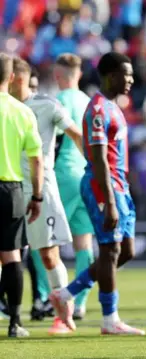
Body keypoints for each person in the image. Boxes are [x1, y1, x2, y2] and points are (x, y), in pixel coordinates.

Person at [48, 52, 144, 335]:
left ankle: (66, 294)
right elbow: (99, 159)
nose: (131, 80)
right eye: (126, 74)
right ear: (110, 75)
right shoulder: (99, 109)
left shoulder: (114, 106)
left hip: (119, 185)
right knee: (110, 250)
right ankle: (109, 319)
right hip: (102, 186)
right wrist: (110, 201)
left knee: (126, 251)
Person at [10, 57, 84, 335]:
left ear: (16, 78)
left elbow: (75, 134)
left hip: (42, 189)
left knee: (49, 255)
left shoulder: (48, 105)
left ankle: (63, 315)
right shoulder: (5, 106)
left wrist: (94, 168)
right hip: (9, 186)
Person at [0, 52, 43, 337]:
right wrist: (37, 196)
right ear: (12, 77)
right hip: (11, 190)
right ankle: (15, 322)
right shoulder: (22, 111)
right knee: (12, 255)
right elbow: (36, 159)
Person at [53, 53, 95, 321]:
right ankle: (79, 301)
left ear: (59, 75)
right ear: (78, 74)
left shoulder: (58, 101)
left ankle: (48, 296)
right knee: (84, 243)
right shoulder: (90, 102)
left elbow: (51, 141)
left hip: (63, 173)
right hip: (86, 173)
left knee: (46, 239)